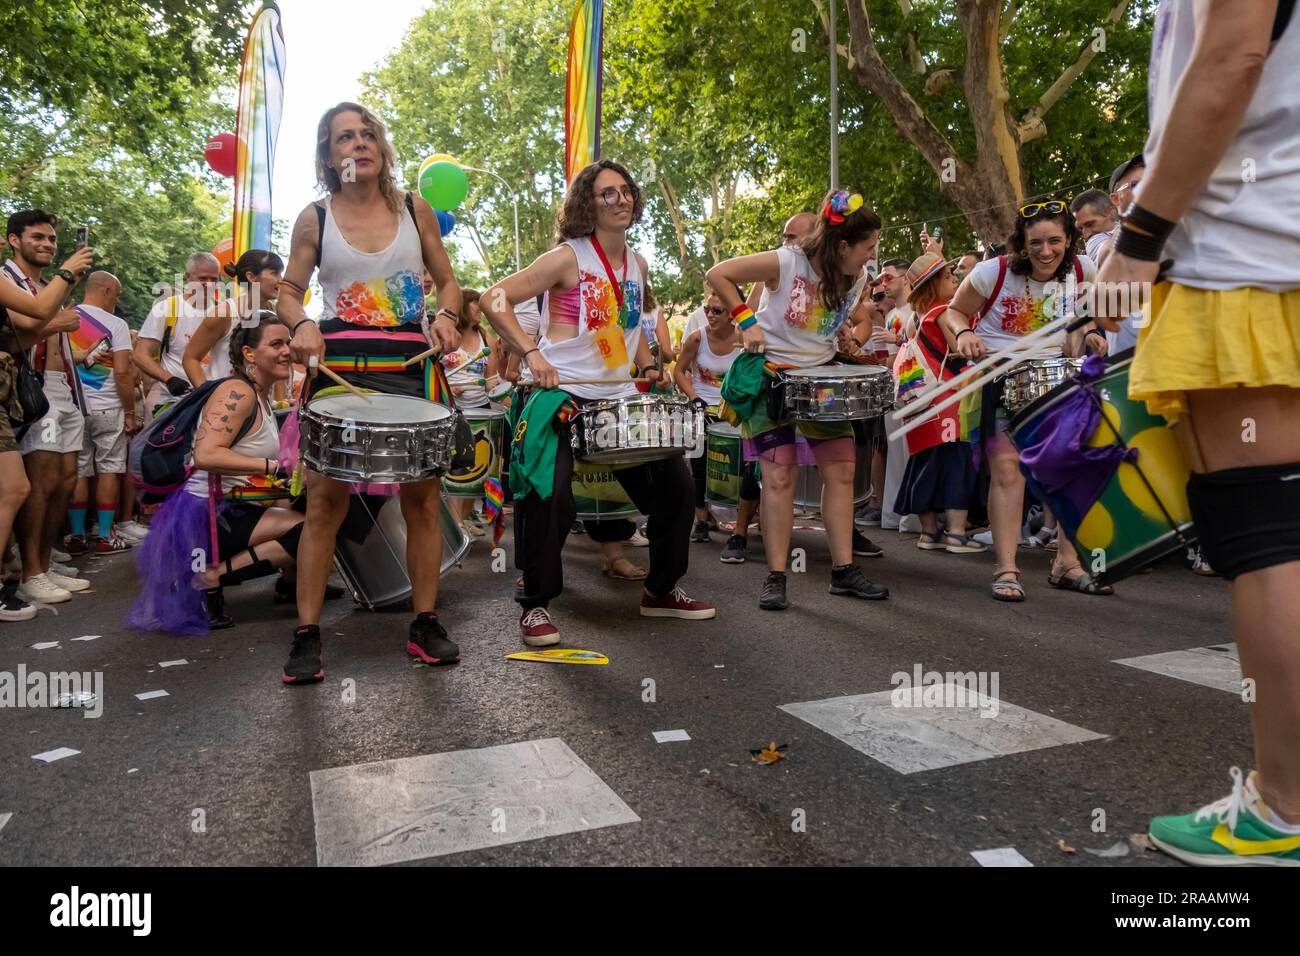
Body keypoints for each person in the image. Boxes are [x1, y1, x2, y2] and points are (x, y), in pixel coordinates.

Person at [1093, 0, 1300, 865]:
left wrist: (1139, 236)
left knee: (1267, 535)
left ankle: (1283, 809)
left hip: (1250, 262)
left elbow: (1233, 55)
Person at [481, 158, 715, 646]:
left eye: (626, 190)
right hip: (560, 394)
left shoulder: (638, 263)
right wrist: (529, 353)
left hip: (618, 399)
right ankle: (537, 604)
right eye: (607, 192)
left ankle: (662, 589)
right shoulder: (568, 257)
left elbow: (628, 328)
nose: (621, 198)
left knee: (677, 486)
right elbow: (494, 298)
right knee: (550, 493)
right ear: (588, 202)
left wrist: (648, 363)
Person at [279, 101, 463, 684]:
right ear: (329, 157)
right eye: (342, 139)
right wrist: (301, 323)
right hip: (339, 366)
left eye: (365, 135)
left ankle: (424, 622)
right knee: (325, 504)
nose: (355, 145)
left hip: (411, 362)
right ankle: (307, 633)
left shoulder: (416, 208)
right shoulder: (315, 217)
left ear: (380, 147)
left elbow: (450, 280)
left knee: (423, 500)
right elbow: (288, 291)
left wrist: (448, 314)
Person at [706, 189, 890, 610]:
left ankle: (843, 571)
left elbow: (830, 325)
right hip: (771, 380)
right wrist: (746, 321)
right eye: (869, 247)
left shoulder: (858, 278)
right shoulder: (786, 262)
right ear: (843, 246)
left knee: (842, 472)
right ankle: (776, 575)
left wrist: (841, 334)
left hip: (822, 384)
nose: (872, 255)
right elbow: (720, 273)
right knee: (779, 478)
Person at [937, 200, 1110, 602]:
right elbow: (952, 313)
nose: (1045, 251)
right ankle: (1006, 568)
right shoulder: (990, 273)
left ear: (1069, 239)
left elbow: (1084, 315)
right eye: (1035, 243)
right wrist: (963, 335)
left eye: (1055, 241)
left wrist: (1089, 332)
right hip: (1003, 378)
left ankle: (1067, 563)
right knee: (1007, 471)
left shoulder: (1085, 269)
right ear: (1021, 243)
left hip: (1062, 381)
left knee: (1070, 471)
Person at [127, 313, 305, 633]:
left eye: (289, 343)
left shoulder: (259, 394)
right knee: (309, 534)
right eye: (276, 344)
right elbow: (206, 455)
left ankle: (289, 583)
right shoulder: (237, 393)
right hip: (203, 516)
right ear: (249, 354)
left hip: (230, 505)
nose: (287, 351)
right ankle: (210, 578)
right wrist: (273, 467)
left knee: (310, 506)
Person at [0, 237, 94, 622]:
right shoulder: (10, 278)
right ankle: (29, 571)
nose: (48, 244)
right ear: (15, 239)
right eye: (38, 236)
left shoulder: (38, 285)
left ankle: (38, 566)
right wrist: (69, 272)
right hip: (34, 389)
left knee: (59, 481)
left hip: (59, 389)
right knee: (28, 485)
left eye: (52, 239)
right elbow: (32, 321)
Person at [892, 253, 983, 553]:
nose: (955, 279)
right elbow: (961, 349)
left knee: (923, 463)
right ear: (933, 284)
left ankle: (929, 532)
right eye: (948, 276)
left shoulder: (912, 319)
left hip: (919, 403)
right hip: (948, 400)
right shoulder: (944, 312)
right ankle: (956, 533)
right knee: (955, 461)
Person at [673, 291, 756, 547]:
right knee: (699, 466)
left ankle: (743, 522)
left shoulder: (745, 338)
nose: (710, 314)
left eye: (717, 310)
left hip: (735, 412)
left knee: (746, 469)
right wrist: (693, 395)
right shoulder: (697, 338)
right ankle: (700, 519)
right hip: (704, 410)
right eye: (707, 309)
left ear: (733, 312)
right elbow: (678, 369)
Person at [67, 272, 138, 555]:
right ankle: (106, 536)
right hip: (109, 406)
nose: (116, 301)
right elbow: (122, 372)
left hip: (74, 406)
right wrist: (130, 411)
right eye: (117, 295)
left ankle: (76, 535)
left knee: (80, 469)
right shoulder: (116, 324)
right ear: (107, 290)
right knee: (109, 468)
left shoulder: (66, 317)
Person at [134, 252, 222, 419]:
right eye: (203, 279)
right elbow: (139, 354)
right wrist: (169, 379)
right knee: (154, 445)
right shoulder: (168, 308)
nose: (209, 285)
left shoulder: (222, 312)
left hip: (209, 399)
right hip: (169, 397)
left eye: (214, 279)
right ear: (188, 277)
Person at [183, 249, 284, 388]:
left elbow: (278, 364)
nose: (281, 280)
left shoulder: (276, 315)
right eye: (275, 273)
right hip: (224, 404)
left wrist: (280, 403)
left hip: (262, 405)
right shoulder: (224, 313)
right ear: (251, 277)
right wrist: (207, 395)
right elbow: (190, 358)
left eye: (281, 273)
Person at [1070, 188, 1119, 262]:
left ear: (1112, 213)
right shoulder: (1093, 242)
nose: (1086, 235)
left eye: (1090, 224)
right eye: (1080, 228)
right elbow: (1114, 250)